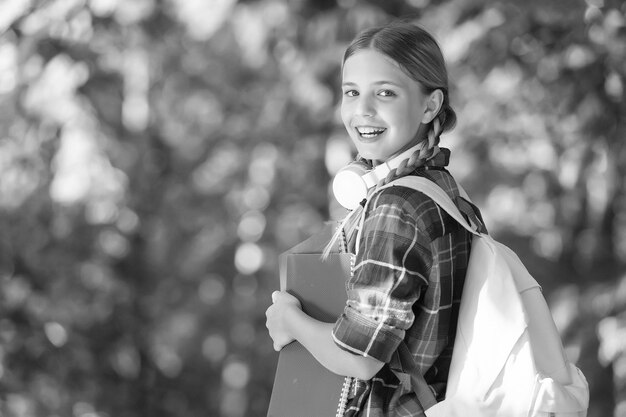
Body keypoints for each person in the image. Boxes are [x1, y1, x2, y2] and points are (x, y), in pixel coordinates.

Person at [266, 20, 485, 416]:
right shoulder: (446, 191)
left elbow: (360, 357)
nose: (361, 110)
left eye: (385, 92)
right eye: (352, 92)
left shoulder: (396, 207)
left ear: (430, 105)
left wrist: (289, 320)